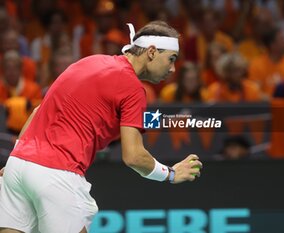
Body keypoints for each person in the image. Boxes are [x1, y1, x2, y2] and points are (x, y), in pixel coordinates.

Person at [0, 21, 202, 233]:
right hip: (57, 174)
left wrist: (19, 158)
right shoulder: (133, 89)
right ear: (151, 52)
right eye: (171, 59)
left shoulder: (91, 61)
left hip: (18, 167)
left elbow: (37, 112)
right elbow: (134, 157)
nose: (172, 69)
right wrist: (170, 174)